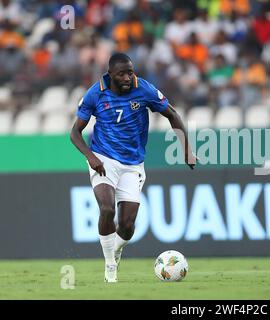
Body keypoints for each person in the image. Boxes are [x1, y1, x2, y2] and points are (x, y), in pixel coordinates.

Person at [70, 53, 196, 283]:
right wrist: (90, 157)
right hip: (103, 158)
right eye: (122, 73)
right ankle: (110, 265)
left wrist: (186, 149)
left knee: (127, 226)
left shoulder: (144, 89)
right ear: (111, 75)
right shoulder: (95, 93)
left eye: (131, 71)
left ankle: (116, 249)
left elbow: (173, 115)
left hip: (133, 164)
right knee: (107, 210)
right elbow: (74, 133)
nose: (128, 77)